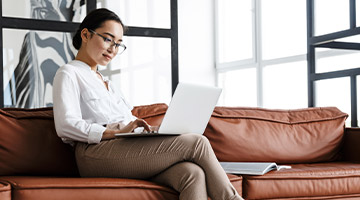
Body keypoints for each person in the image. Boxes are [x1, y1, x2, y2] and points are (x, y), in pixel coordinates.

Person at [52, 8, 243, 200]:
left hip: (126, 148)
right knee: (197, 143)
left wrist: (151, 132)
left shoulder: (109, 84)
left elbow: (126, 121)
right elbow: (65, 126)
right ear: (85, 34)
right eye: (108, 39)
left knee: (192, 173)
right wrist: (116, 133)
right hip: (94, 153)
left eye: (118, 44)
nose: (113, 49)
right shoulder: (68, 73)